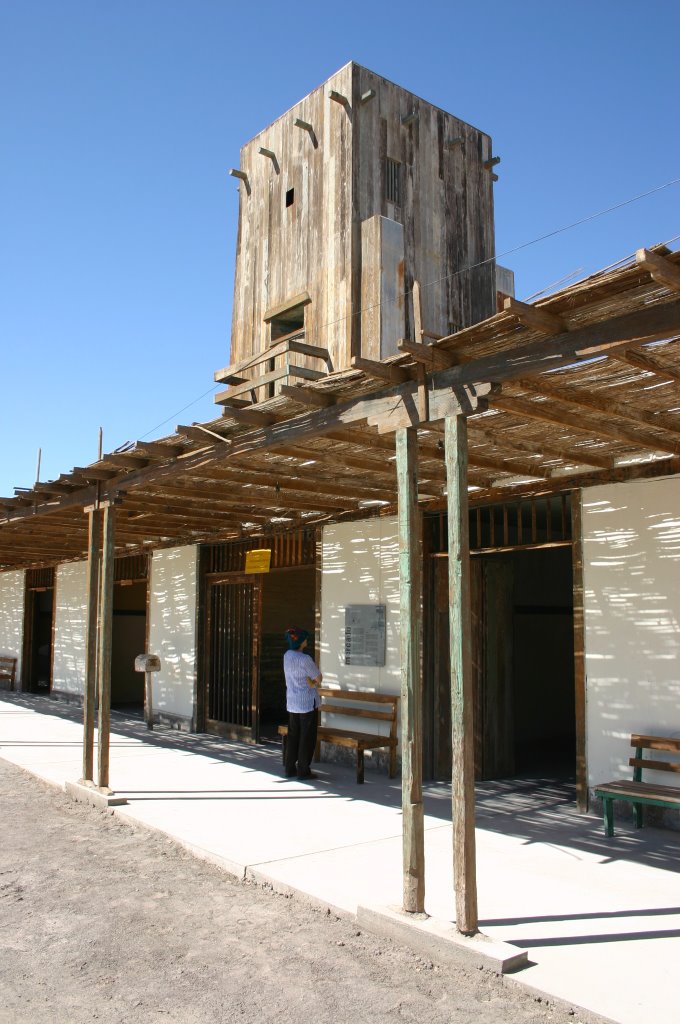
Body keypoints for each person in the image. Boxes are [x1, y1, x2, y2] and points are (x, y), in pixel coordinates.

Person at [283, 626, 322, 780]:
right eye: (305, 638)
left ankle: (289, 768)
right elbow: (318, 678)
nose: (307, 640)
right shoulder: (305, 659)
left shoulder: (287, 656)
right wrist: (313, 681)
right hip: (306, 702)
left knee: (293, 735)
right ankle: (303, 770)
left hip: (292, 701)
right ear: (301, 642)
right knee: (307, 737)